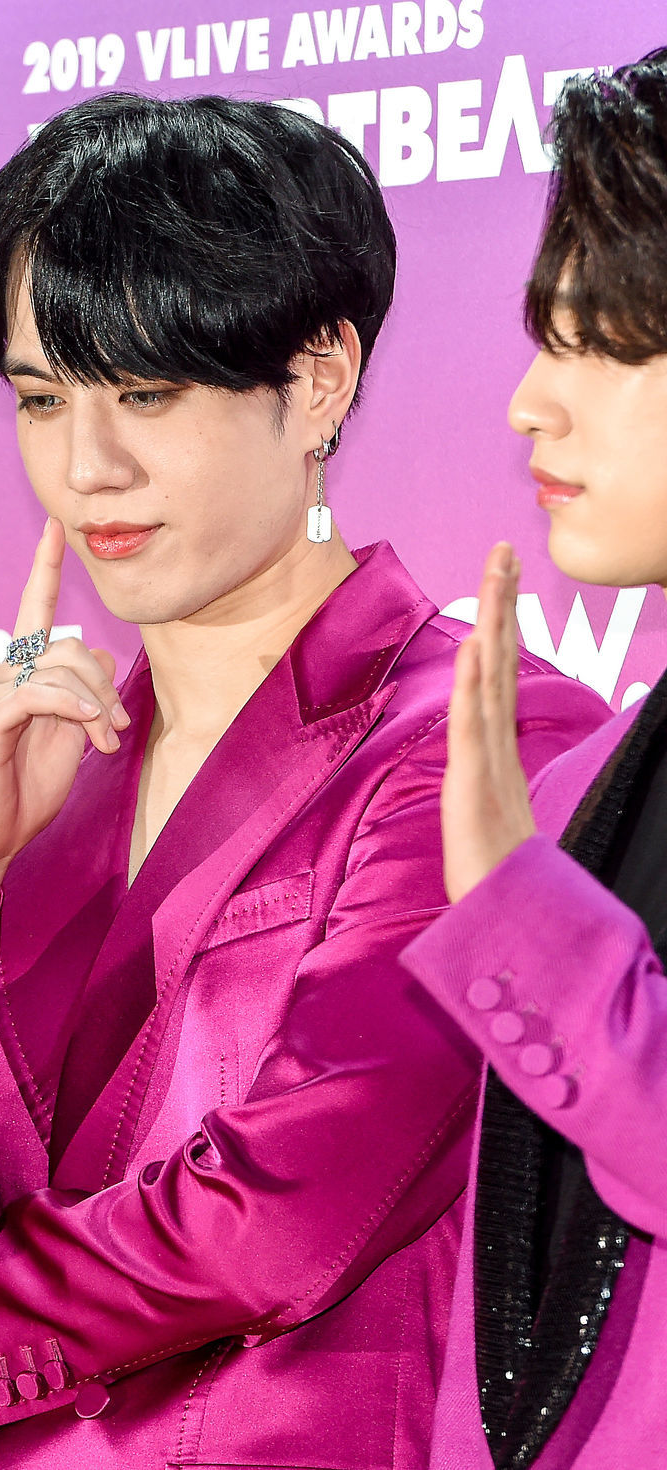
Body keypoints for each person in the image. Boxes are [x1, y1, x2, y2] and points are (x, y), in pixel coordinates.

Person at [0, 94, 603, 1469]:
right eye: (44, 398)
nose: (86, 465)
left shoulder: (486, 741)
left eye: (146, 393)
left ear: (318, 380)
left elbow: (289, 1211)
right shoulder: (22, 781)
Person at [401, 49, 667, 1470]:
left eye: (602, 345)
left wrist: (515, 903)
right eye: (542, 337)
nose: (528, 403)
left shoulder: (525, 843)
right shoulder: (572, 791)